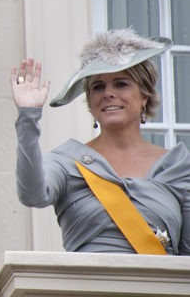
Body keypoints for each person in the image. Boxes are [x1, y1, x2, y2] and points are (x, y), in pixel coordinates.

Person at [12, 29, 189, 255]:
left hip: (155, 290)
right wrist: (28, 117)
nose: (108, 93)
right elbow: (32, 195)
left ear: (144, 95)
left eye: (121, 83)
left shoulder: (177, 166)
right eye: (98, 86)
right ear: (90, 100)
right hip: (89, 289)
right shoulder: (68, 161)